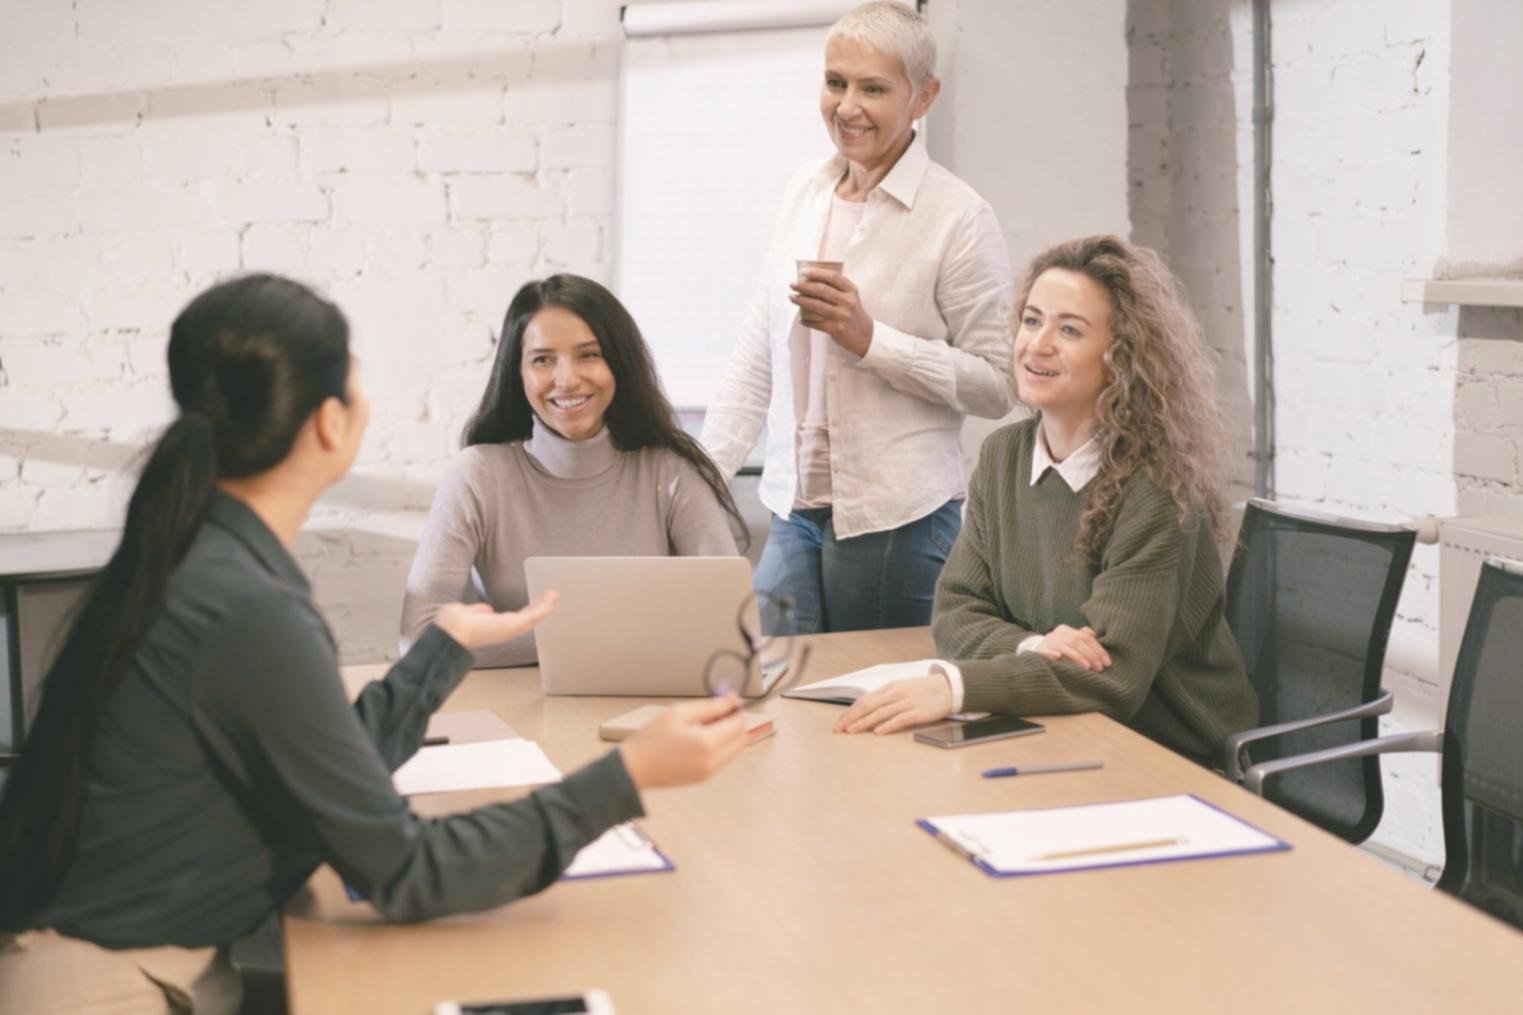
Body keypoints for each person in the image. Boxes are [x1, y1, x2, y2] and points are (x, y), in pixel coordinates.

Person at [0, 275, 748, 1014]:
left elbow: (330, 764)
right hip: (113, 985)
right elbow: (407, 871)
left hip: (144, 955)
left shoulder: (211, 558)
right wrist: (622, 778)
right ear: (330, 423)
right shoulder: (248, 607)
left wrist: (442, 648)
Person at [835, 236, 1259, 767]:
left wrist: (956, 687)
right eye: (1032, 320)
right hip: (1065, 730)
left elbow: (1113, 677)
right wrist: (1034, 647)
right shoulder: (1003, 456)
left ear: (1122, 356)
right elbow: (956, 612)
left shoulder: (1155, 486)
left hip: (1171, 751)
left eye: (1070, 330)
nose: (1037, 345)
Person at [701, 1, 1016, 634]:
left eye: (873, 88)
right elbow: (757, 351)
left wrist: (870, 339)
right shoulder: (805, 190)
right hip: (794, 510)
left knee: (873, 713)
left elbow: (998, 385)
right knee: (781, 694)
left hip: (898, 519)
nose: (847, 106)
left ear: (922, 97)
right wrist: (702, 477)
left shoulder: (959, 216)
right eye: (835, 81)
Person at [401, 274, 745, 666]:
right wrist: (613, 634)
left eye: (589, 355)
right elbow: (419, 638)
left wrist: (546, 636)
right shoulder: (478, 474)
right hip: (517, 707)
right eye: (543, 359)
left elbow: (732, 624)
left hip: (643, 703)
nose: (566, 380)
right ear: (519, 373)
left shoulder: (671, 472)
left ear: (619, 363)